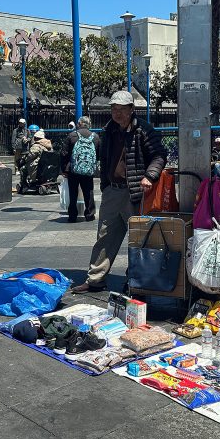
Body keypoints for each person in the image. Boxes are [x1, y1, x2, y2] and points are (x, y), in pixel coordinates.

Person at [71, 90, 166, 293]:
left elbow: (159, 155)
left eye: (122, 109)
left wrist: (149, 176)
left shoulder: (144, 130)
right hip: (112, 191)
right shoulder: (109, 130)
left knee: (138, 239)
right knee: (104, 236)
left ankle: (135, 281)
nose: (117, 113)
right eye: (114, 109)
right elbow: (104, 160)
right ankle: (95, 279)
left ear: (132, 109)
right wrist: (105, 185)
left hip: (135, 192)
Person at [60, 115, 100, 222]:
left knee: (73, 193)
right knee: (89, 192)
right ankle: (90, 214)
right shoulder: (95, 137)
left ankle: (72, 216)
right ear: (89, 124)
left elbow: (64, 154)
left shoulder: (71, 136)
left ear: (79, 124)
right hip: (88, 170)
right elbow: (99, 154)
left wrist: (64, 169)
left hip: (73, 170)